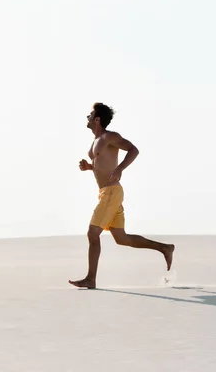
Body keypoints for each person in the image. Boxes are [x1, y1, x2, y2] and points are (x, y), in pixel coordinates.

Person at [69, 102, 175, 289]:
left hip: (111, 192)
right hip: (107, 193)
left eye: (90, 114)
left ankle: (90, 279)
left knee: (93, 234)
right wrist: (90, 167)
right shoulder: (96, 141)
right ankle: (165, 248)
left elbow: (133, 150)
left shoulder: (110, 137)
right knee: (121, 238)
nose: (87, 117)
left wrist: (120, 168)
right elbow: (103, 165)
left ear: (97, 119)